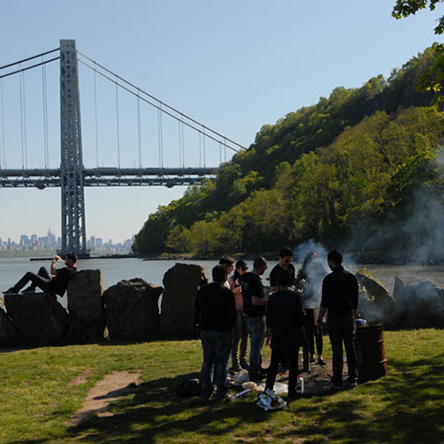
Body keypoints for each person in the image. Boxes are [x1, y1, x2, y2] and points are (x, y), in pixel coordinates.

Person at [316, 250, 359, 390]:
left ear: (331, 262)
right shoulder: (352, 278)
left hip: (334, 319)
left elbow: (324, 303)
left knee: (337, 351)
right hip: (348, 317)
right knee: (350, 348)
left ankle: (338, 381)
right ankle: (353, 379)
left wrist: (318, 320)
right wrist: (353, 317)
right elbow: (355, 302)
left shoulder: (328, 279)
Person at [194, 264, 236, 402]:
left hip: (206, 329)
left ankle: (205, 392)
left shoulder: (203, 291)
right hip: (222, 330)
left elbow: (197, 308)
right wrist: (232, 327)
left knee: (208, 362)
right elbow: (232, 314)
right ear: (225, 277)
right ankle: (221, 392)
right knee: (222, 362)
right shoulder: (227, 293)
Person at [265, 269, 306, 399]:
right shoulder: (295, 296)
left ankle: (268, 389)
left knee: (274, 363)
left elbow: (270, 319)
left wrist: (268, 335)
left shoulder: (273, 297)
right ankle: (292, 391)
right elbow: (300, 317)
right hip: (293, 333)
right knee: (294, 364)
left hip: (278, 333)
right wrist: (304, 334)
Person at [239, 256, 268, 381]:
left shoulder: (245, 277)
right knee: (256, 345)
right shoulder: (256, 281)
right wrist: (270, 300)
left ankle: (258, 367)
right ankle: (254, 371)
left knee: (256, 344)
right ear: (261, 267)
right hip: (256, 316)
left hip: (246, 314)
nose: (265, 270)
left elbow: (238, 283)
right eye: (265, 267)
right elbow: (256, 301)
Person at [3, 253, 78, 297]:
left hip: (50, 288)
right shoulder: (73, 270)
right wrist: (56, 278)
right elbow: (61, 278)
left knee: (29, 274)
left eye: (66, 259)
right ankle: (32, 288)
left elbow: (52, 272)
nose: (65, 260)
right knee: (43, 269)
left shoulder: (67, 270)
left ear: (71, 260)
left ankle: (14, 290)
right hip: (53, 284)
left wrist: (54, 261)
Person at [298, 252, 327, 365]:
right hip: (306, 302)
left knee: (318, 330)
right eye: (310, 260)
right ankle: (311, 355)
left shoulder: (320, 270)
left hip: (317, 302)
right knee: (309, 331)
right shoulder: (302, 272)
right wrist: (300, 284)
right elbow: (297, 285)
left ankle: (320, 356)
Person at [227, 260, 249, 371]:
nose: (245, 271)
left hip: (246, 310)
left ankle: (243, 360)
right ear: (237, 269)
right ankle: (235, 362)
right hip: (236, 311)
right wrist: (234, 291)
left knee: (245, 336)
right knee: (237, 337)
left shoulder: (247, 280)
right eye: (243, 268)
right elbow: (226, 294)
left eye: (246, 268)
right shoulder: (231, 280)